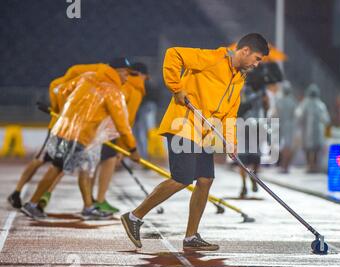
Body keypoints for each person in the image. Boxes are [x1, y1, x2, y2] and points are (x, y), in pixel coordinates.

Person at [120, 33, 269, 251]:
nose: (257, 64)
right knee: (182, 178)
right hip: (183, 125)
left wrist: (230, 141)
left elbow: (230, 114)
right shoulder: (212, 58)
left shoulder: (238, 79)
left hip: (204, 134)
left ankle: (191, 237)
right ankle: (134, 216)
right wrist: (176, 87)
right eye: (257, 58)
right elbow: (174, 54)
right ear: (245, 51)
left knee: (206, 179)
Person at [20, 63, 140, 220]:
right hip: (79, 136)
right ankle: (32, 203)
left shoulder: (87, 77)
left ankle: (88, 207)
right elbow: (122, 126)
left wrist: (62, 110)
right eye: (126, 74)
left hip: (64, 128)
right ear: (118, 71)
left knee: (85, 168)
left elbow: (60, 90)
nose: (127, 78)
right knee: (57, 168)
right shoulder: (112, 92)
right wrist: (132, 149)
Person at [6, 63, 106, 210]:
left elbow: (59, 107)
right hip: (60, 129)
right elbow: (61, 108)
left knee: (55, 163)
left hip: (65, 129)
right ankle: (21, 192)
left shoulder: (64, 85)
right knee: (46, 161)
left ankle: (34, 194)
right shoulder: (69, 85)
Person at [92, 61, 148, 213]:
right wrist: (126, 148)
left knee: (95, 165)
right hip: (109, 132)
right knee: (102, 163)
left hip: (105, 130)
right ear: (142, 75)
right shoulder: (133, 89)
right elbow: (124, 120)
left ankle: (95, 201)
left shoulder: (127, 86)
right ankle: (98, 201)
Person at [296, 84, 330, 173]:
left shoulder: (304, 103)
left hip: (307, 131)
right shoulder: (320, 104)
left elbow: (298, 116)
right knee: (314, 149)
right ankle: (313, 165)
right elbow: (326, 119)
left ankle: (310, 165)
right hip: (316, 131)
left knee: (309, 148)